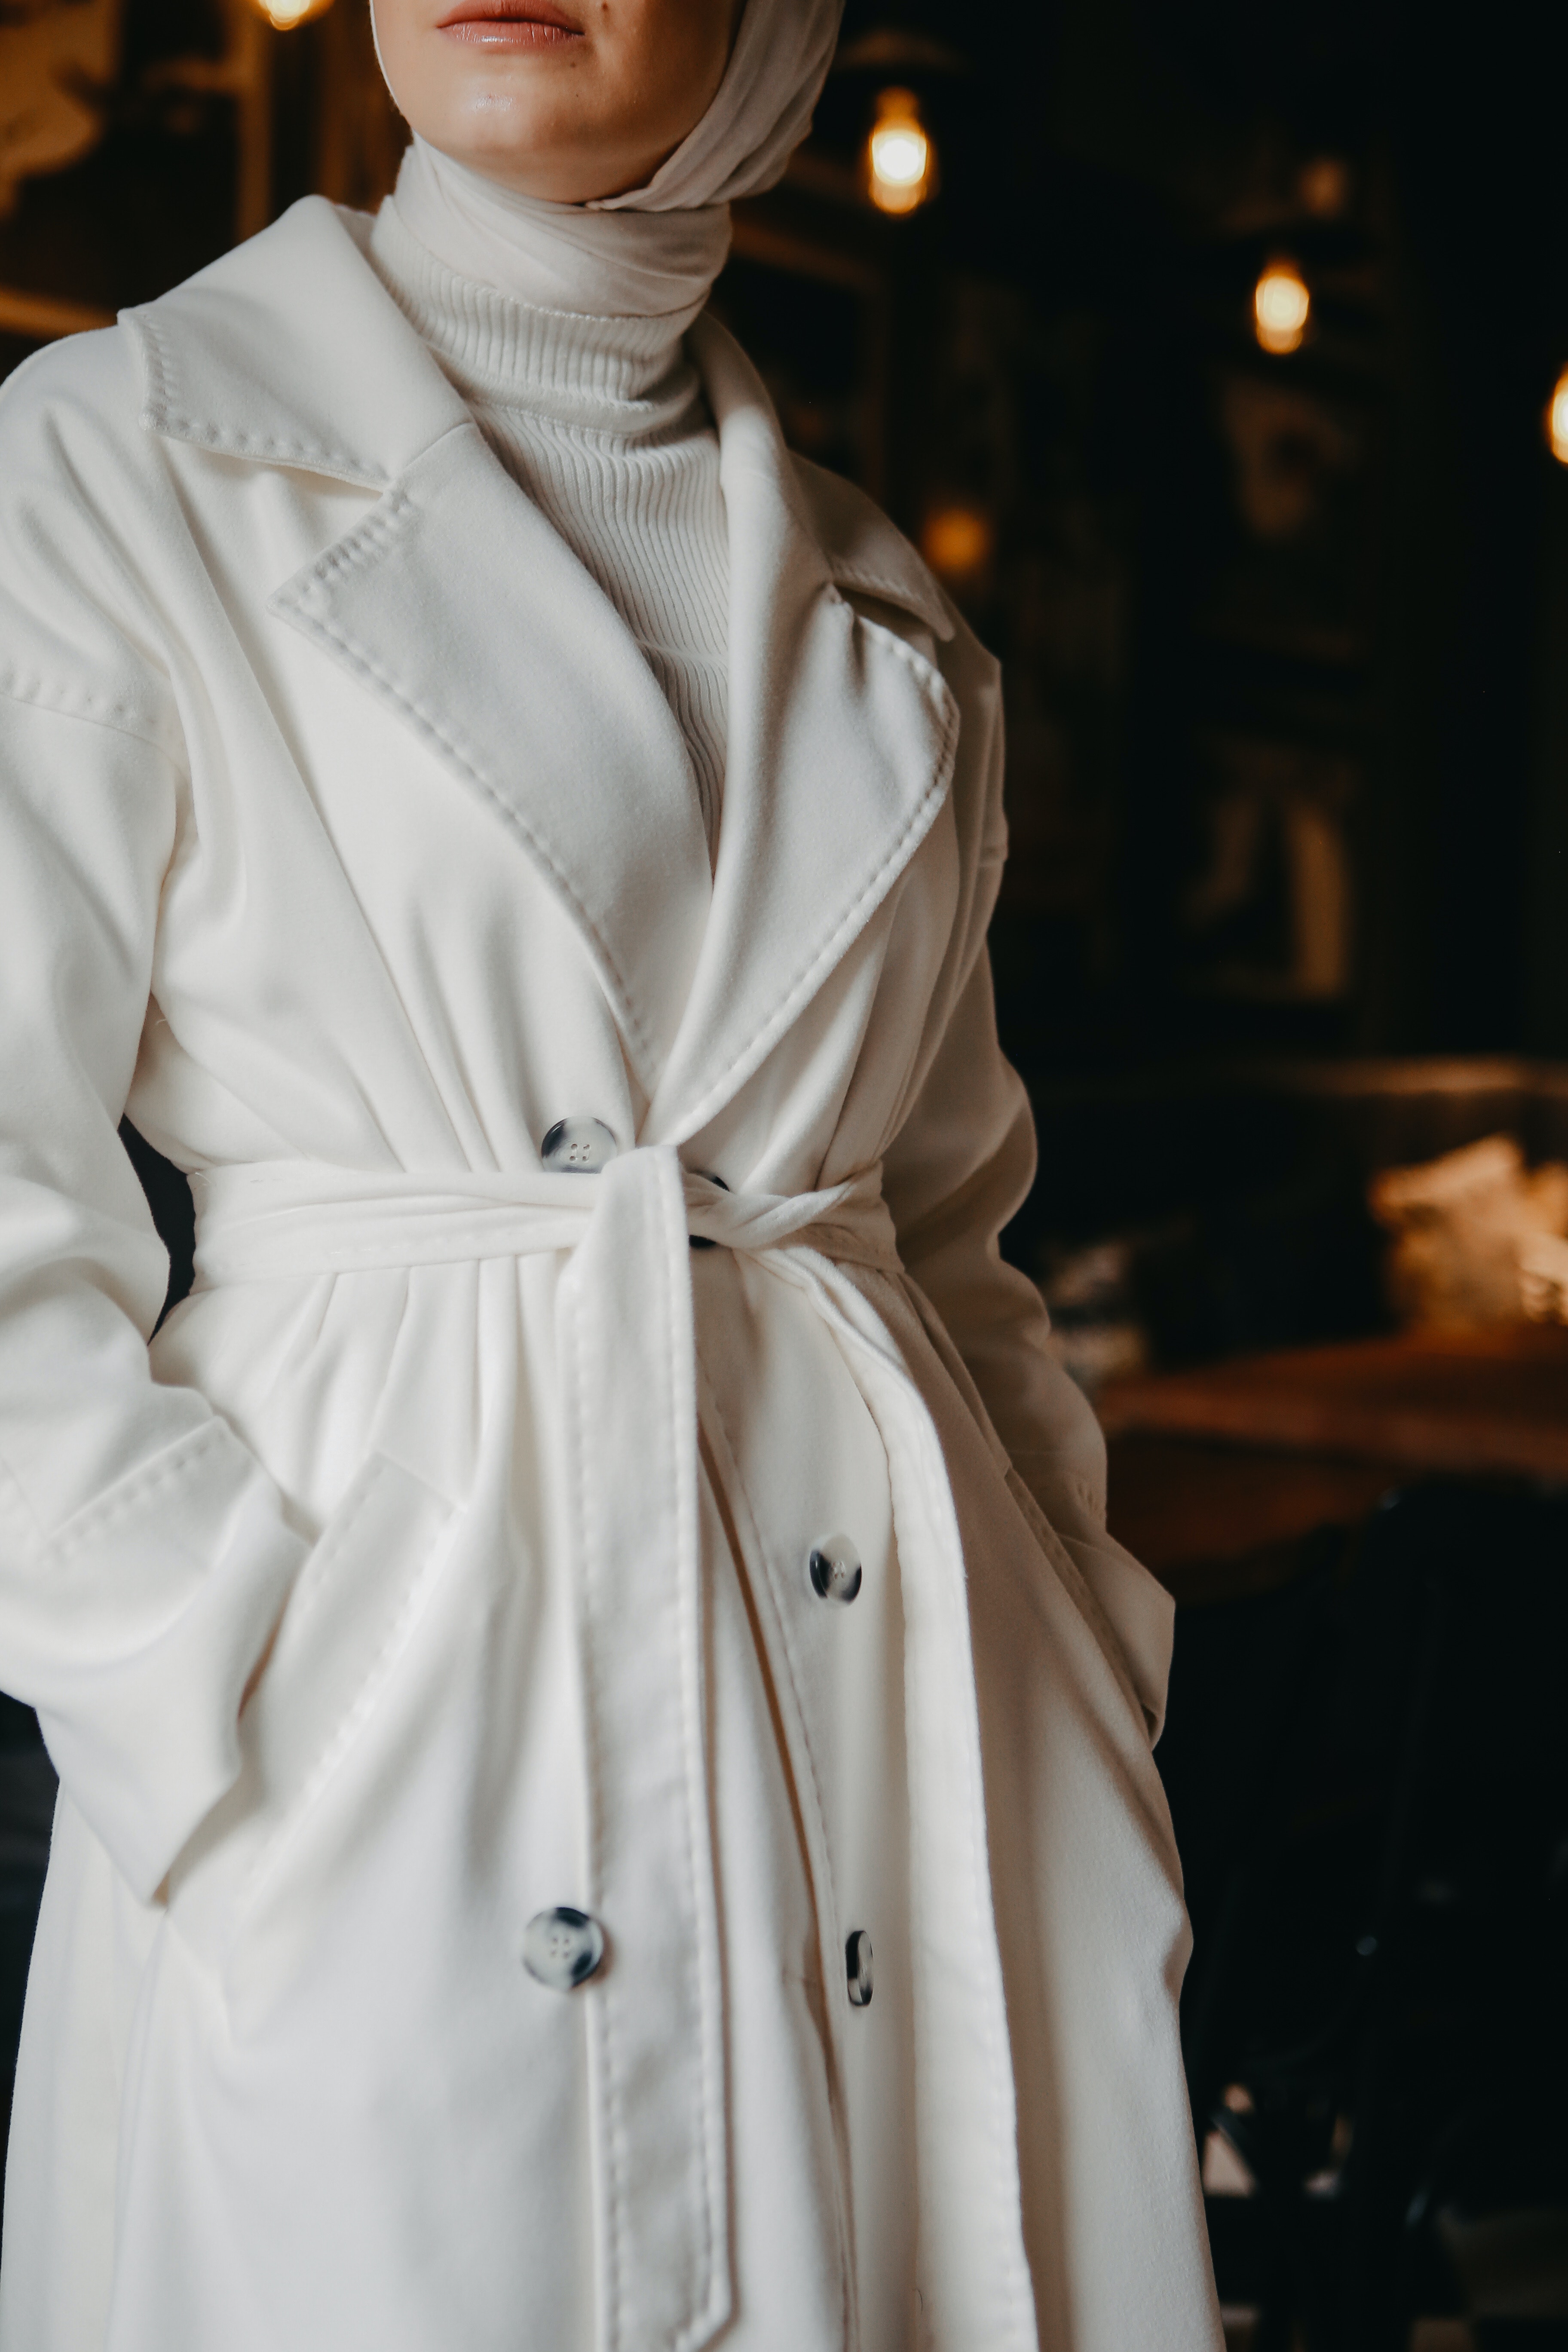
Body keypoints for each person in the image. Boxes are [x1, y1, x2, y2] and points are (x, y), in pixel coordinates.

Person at [0, 2, 1222, 2345]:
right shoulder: (122, 458)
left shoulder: (896, 623)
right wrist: (225, 1685)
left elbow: (951, 1238)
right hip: (386, 1733)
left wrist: (1075, 1647)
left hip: (901, 1750)